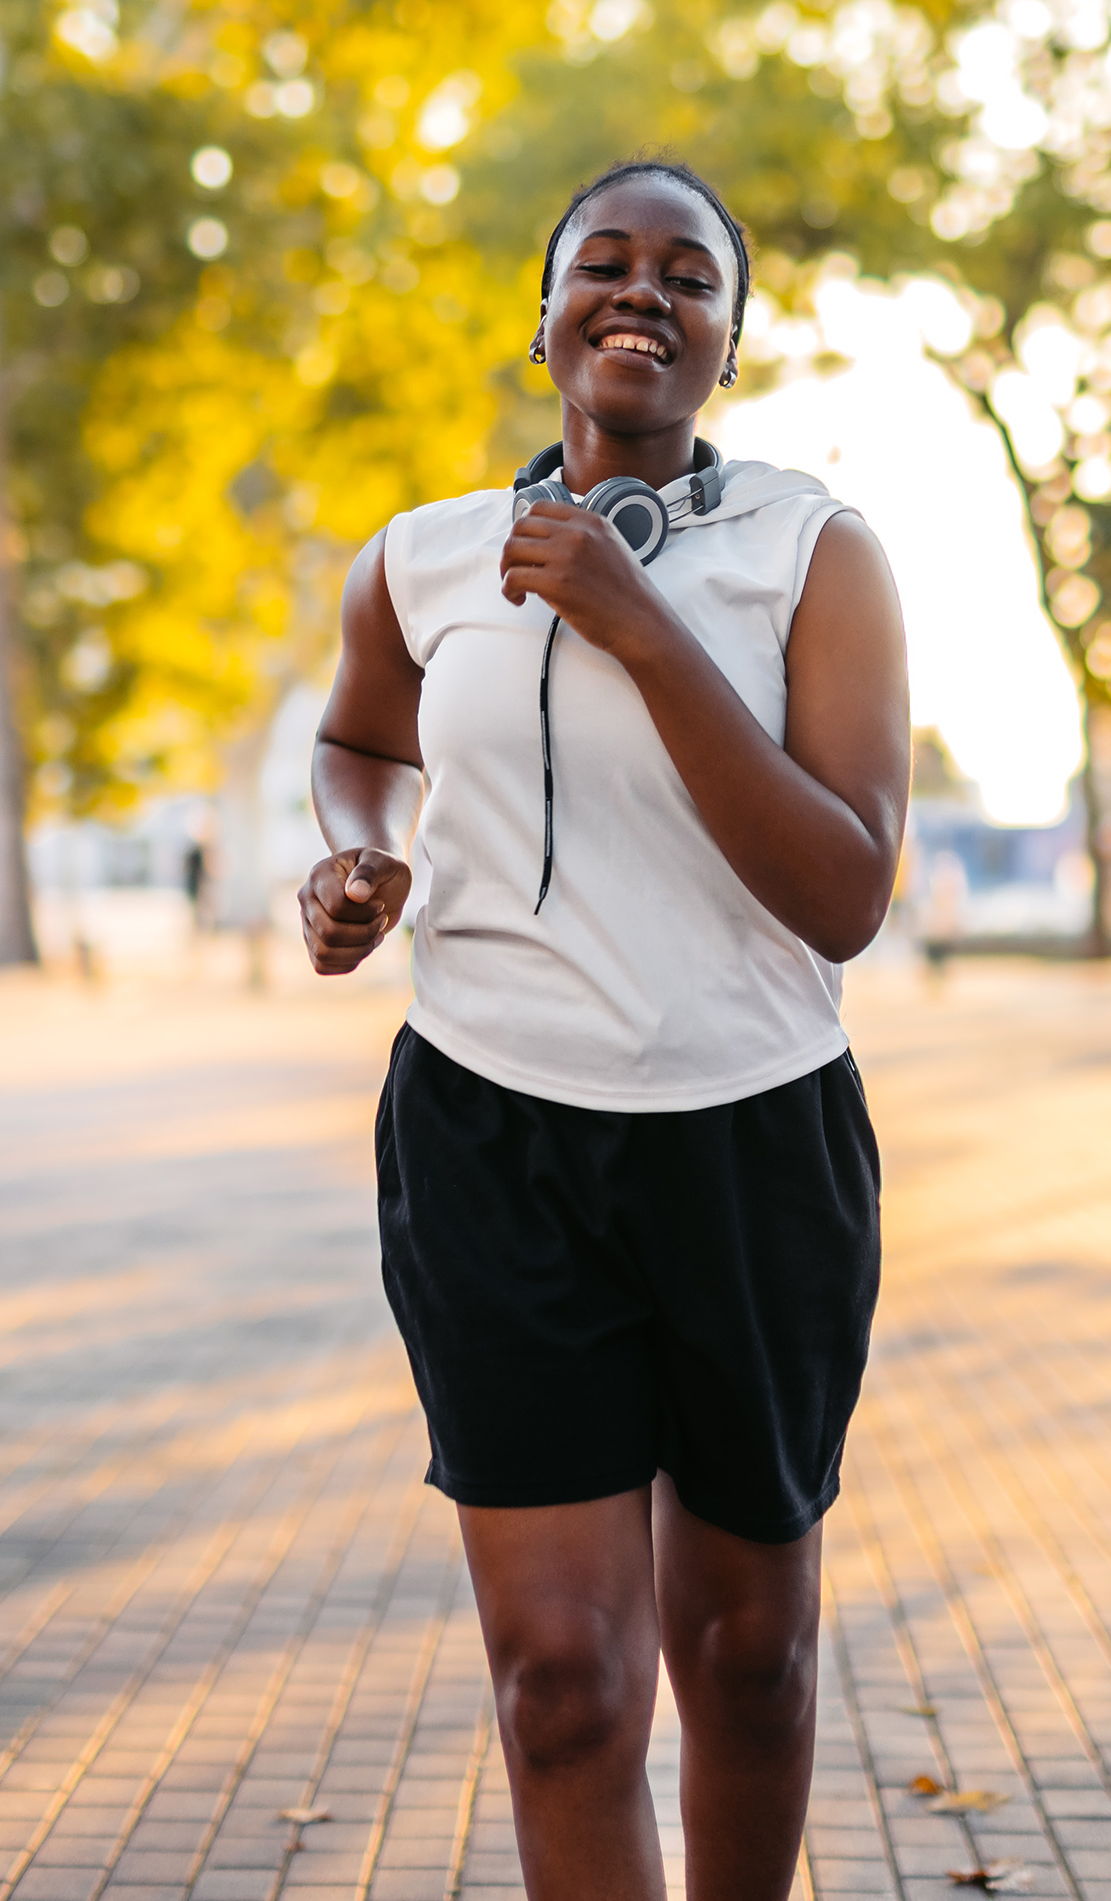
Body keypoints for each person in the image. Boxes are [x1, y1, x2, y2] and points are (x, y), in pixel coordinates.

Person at [298, 159, 910, 1901]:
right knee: (562, 1688)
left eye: (688, 277)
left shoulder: (814, 551)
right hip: (493, 1136)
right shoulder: (419, 558)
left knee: (749, 1663)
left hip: (752, 1142)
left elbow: (847, 891)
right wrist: (362, 851)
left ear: (729, 335)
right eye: (605, 266)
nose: (644, 295)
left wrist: (637, 625)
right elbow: (362, 736)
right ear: (547, 307)